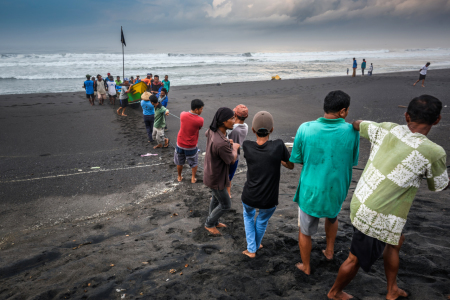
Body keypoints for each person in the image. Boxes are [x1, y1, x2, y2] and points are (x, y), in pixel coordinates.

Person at [327, 95, 449, 300]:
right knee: (354, 258)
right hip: (377, 212)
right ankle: (334, 292)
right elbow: (439, 186)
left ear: (407, 115)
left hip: (363, 201)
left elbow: (357, 124)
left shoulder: (386, 128)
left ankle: (392, 289)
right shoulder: (433, 152)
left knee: (394, 242)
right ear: (437, 120)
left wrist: (357, 125)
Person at [290, 90, 360, 275]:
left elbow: (297, 158)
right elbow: (352, 160)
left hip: (310, 188)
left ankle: (306, 267)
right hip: (337, 187)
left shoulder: (305, 128)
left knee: (305, 229)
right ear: (343, 111)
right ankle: (329, 252)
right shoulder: (352, 131)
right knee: (332, 216)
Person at [241, 111, 294, 258]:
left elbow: (258, 157)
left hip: (250, 195)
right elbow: (291, 166)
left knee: (248, 216)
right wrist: (278, 159)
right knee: (262, 220)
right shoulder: (278, 145)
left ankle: (252, 248)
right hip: (269, 198)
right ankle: (254, 247)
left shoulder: (247, 146)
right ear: (271, 129)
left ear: (253, 130)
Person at [203, 108, 240, 236]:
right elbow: (231, 160)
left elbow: (207, 134)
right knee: (225, 204)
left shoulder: (213, 131)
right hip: (217, 177)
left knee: (215, 198)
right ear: (224, 122)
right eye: (232, 118)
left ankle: (215, 221)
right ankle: (209, 223)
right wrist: (234, 147)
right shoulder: (221, 142)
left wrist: (227, 142)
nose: (234, 121)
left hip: (210, 171)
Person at [174, 99, 204, 183]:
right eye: (201, 109)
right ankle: (193, 178)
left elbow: (185, 114)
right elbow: (199, 128)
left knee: (179, 161)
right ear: (196, 109)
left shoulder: (182, 114)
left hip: (180, 143)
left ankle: (179, 177)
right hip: (191, 145)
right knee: (194, 162)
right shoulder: (200, 120)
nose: (202, 111)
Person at [226, 104, 249, 197]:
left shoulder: (232, 129)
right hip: (237, 155)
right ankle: (228, 193)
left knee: (223, 176)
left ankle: (224, 195)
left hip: (228, 154)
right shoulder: (246, 126)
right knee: (230, 176)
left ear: (235, 114)